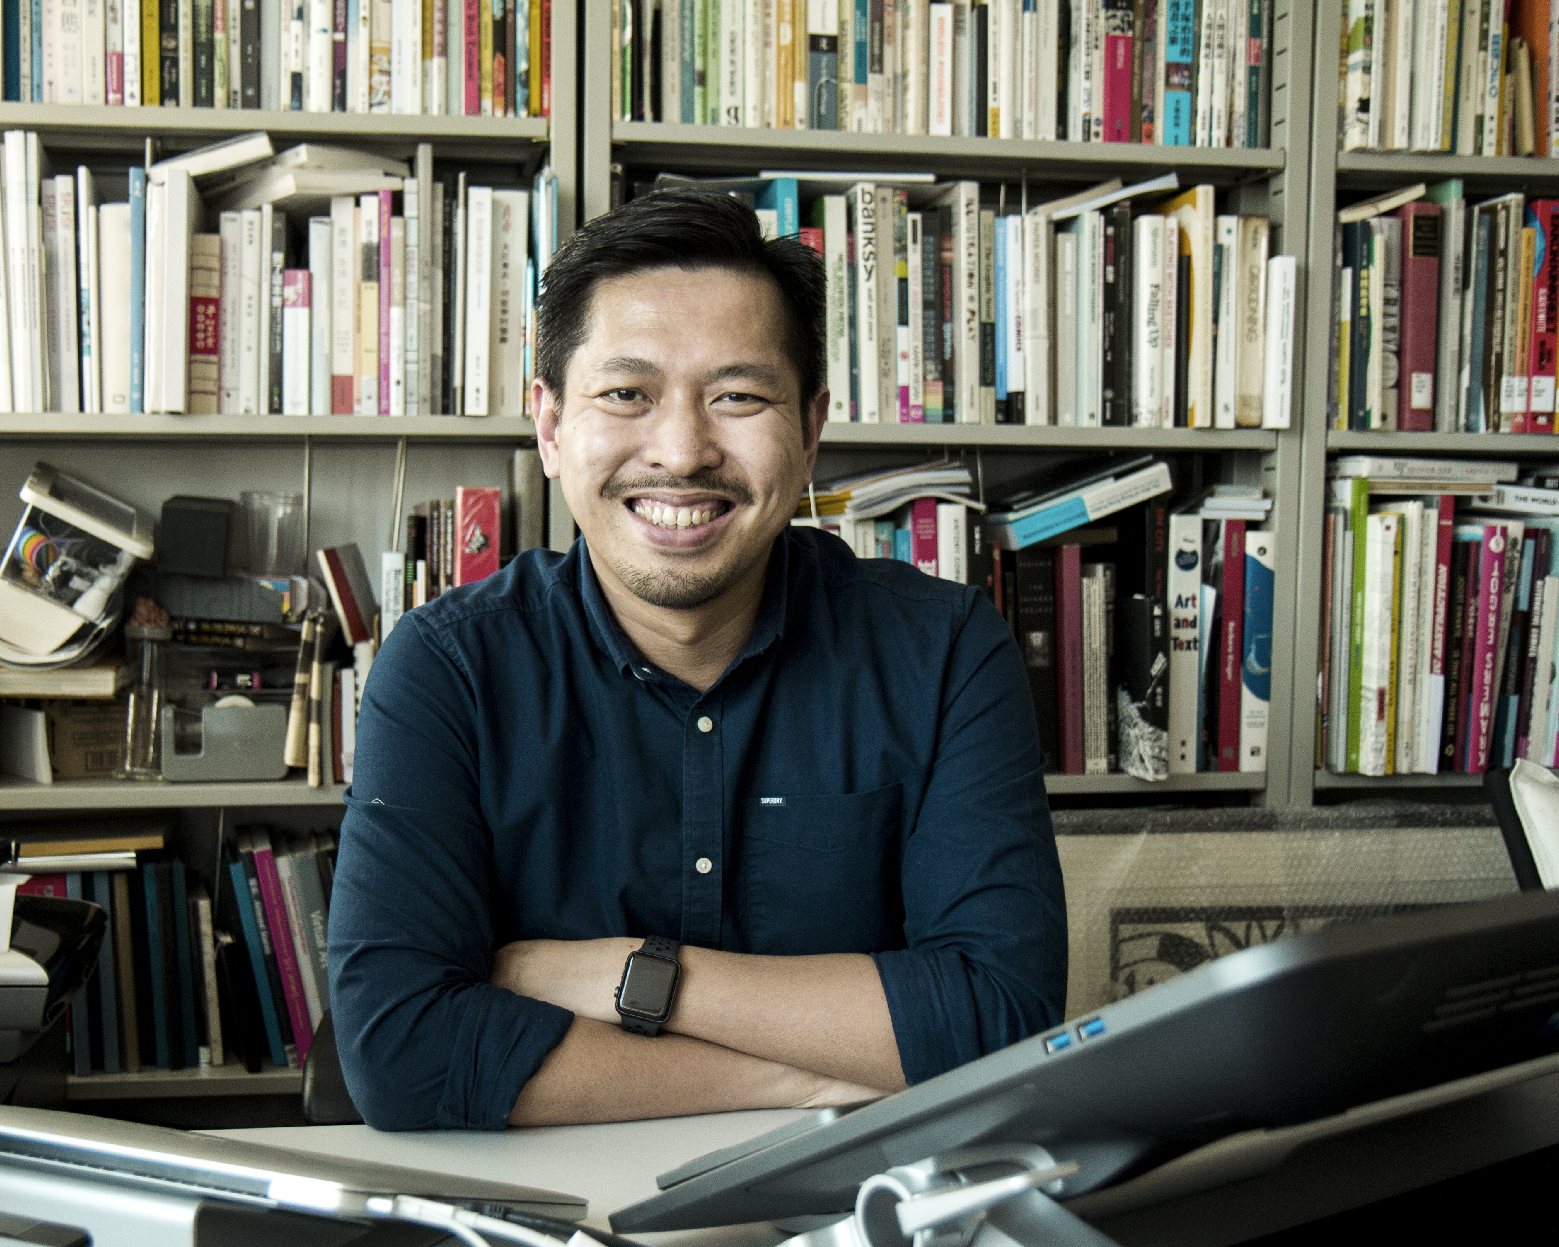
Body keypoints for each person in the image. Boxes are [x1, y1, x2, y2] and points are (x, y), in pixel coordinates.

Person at [327, 189, 1065, 1131]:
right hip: (545, 1235)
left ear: (810, 429)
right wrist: (811, 1077)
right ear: (550, 426)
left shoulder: (947, 650)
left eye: (738, 397)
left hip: (863, 1216)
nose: (680, 452)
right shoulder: (447, 670)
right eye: (626, 394)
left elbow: (1003, 1018)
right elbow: (403, 1055)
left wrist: (625, 975)